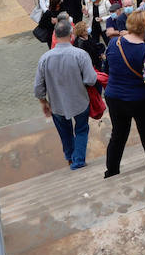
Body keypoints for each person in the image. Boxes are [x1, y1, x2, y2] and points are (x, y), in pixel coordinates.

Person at [103, 10, 145, 177]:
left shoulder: (114, 43)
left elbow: (106, 68)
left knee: (118, 134)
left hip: (114, 96)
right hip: (139, 98)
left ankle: (112, 170)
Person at [34, 20, 98, 169]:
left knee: (65, 132)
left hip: (57, 103)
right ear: (71, 35)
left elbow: (38, 86)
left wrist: (43, 102)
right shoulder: (80, 55)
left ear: (55, 35)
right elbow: (90, 79)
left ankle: (70, 156)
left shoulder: (45, 58)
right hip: (80, 101)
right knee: (81, 129)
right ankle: (78, 160)